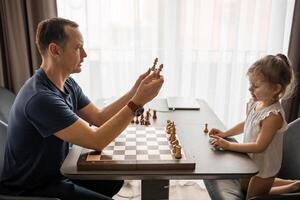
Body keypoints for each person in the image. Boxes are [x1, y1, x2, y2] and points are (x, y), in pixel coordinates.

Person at [0, 17, 164, 200]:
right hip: (33, 189)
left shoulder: (67, 83)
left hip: (57, 174)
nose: (84, 54)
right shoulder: (41, 98)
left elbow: (99, 117)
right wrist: (137, 103)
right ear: (55, 50)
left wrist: (134, 92)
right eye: (78, 48)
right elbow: (96, 141)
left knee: (113, 180)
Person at [209, 54, 300, 199]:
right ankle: (292, 184)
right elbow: (247, 123)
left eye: (256, 86)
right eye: (250, 84)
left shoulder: (273, 116)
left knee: (253, 197)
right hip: (252, 161)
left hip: (265, 166)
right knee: (245, 187)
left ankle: (291, 187)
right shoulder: (256, 104)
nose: (250, 89)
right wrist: (225, 133)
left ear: (276, 89)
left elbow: (260, 146)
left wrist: (228, 145)